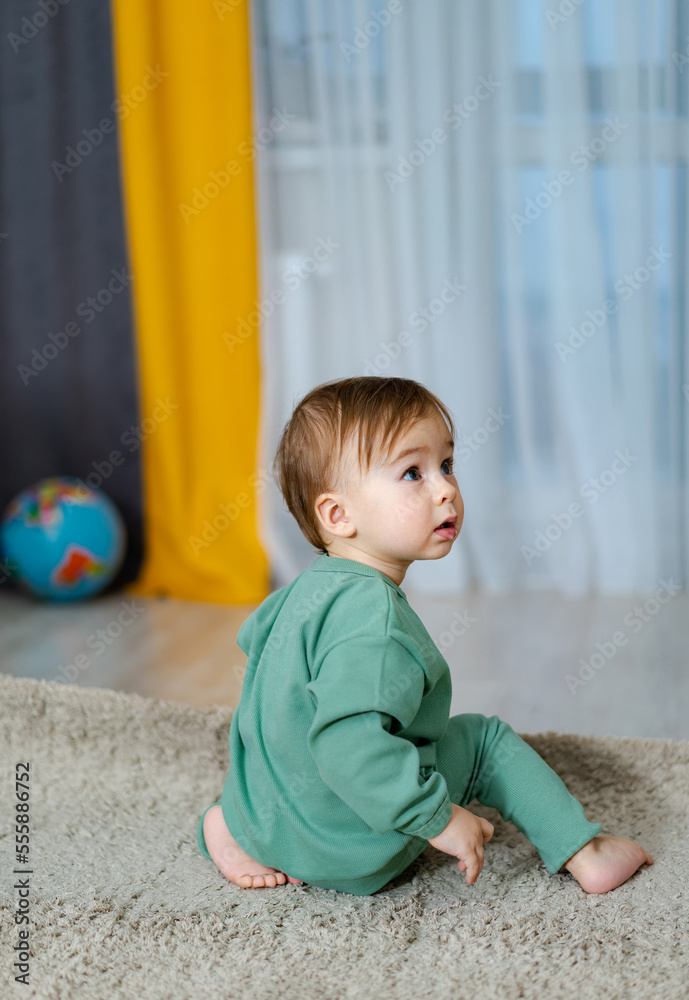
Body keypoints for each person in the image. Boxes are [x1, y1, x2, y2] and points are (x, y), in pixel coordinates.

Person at [197, 376, 653, 896]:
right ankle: (585, 851)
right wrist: (437, 818)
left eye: (447, 465)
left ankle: (232, 823)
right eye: (412, 472)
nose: (445, 489)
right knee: (483, 741)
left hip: (268, 819)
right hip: (353, 850)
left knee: (279, 713)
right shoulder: (373, 619)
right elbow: (347, 744)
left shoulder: (299, 593)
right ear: (337, 515)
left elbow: (260, 661)